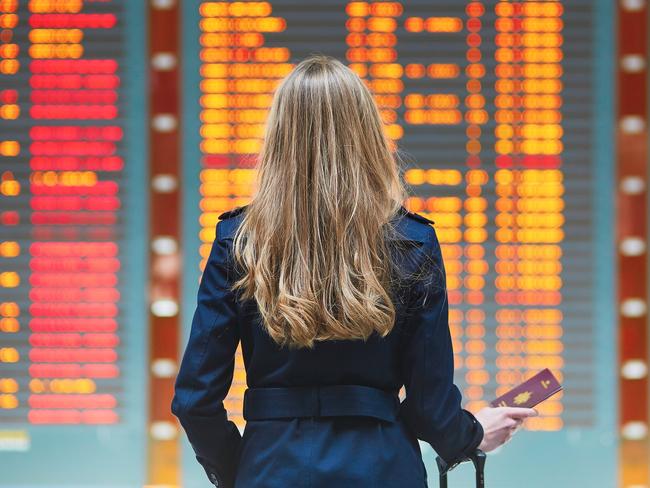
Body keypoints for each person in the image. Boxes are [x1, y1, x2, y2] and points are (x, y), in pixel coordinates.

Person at [171, 54, 537, 488]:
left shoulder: (239, 240)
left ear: (278, 138)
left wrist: (243, 469)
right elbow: (427, 406)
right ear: (366, 133)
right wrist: (473, 434)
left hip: (270, 467)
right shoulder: (412, 241)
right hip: (383, 470)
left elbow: (195, 401)